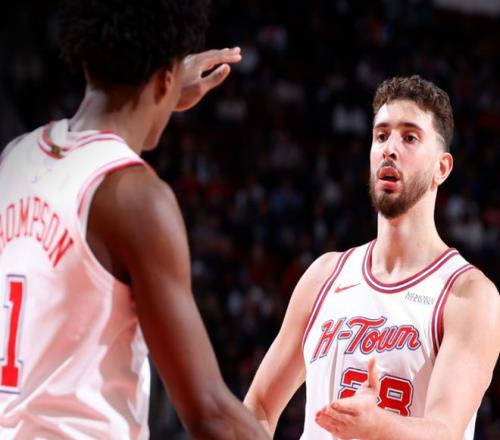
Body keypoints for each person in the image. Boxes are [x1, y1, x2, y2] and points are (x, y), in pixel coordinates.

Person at [0, 1, 270, 439]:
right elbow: (209, 412)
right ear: (164, 79)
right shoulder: (137, 199)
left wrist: (162, 87)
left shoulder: (15, 157)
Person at [244, 75, 500, 439]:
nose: (389, 149)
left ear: (441, 168)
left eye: (409, 137)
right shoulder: (324, 276)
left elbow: (445, 431)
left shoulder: (469, 295)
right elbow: (258, 408)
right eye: (381, 136)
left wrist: (376, 426)